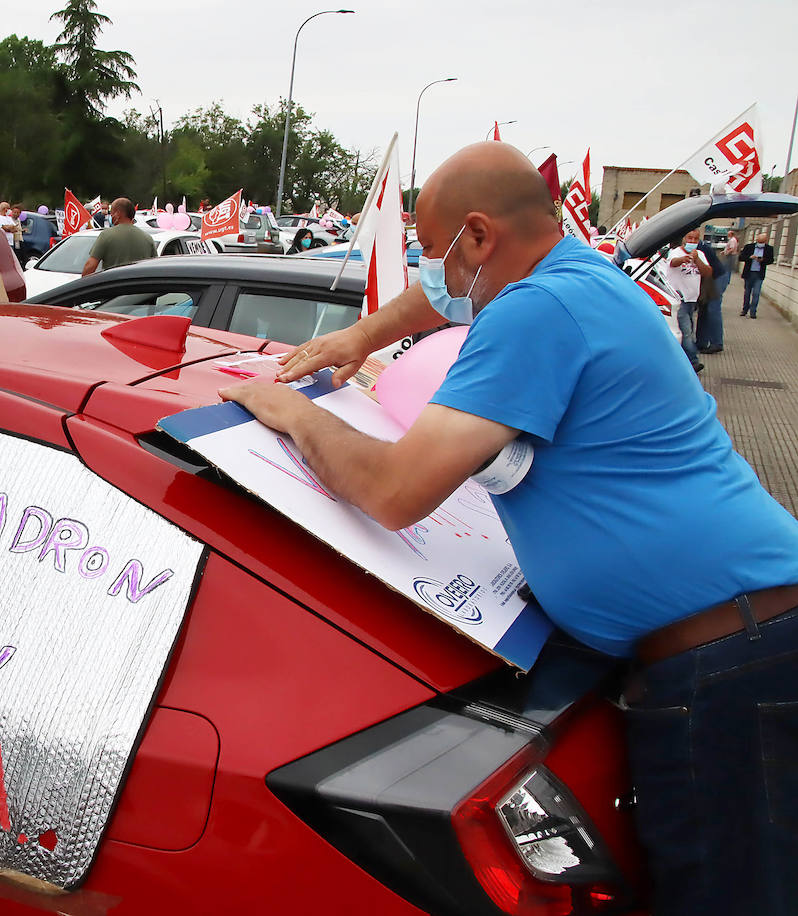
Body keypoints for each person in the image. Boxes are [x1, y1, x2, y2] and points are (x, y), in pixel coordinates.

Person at [219, 141, 798, 916]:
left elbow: (394, 491)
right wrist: (362, 338)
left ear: (482, 236)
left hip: (724, 664)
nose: (433, 274)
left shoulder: (534, 313)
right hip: (748, 638)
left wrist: (290, 410)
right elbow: (440, 299)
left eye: (436, 251)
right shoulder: (578, 274)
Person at [663, 229, 710, 372]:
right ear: (684, 238)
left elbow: (708, 272)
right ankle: (693, 361)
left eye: (696, 239)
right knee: (686, 331)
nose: (692, 242)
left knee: (688, 328)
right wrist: (684, 259)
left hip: (692, 299)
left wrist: (697, 260)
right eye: (690, 238)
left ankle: (681, 360)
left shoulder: (700, 254)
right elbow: (672, 263)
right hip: (679, 298)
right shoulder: (676, 252)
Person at [82, 198, 155, 275]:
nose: (111, 215)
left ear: (118, 213)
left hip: (113, 284)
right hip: (140, 285)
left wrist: (82, 285)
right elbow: (154, 267)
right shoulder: (147, 238)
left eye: (112, 212)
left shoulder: (106, 235)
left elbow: (90, 266)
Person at [695, 239, 728, 354]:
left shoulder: (700, 248)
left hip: (715, 277)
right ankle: (701, 342)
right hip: (710, 277)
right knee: (703, 309)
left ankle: (717, 343)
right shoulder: (697, 245)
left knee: (713, 308)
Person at [738, 232, 774, 318]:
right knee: (747, 293)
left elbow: (771, 260)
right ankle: (745, 309)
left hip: (759, 274)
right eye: (759, 242)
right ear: (756, 240)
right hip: (748, 273)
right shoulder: (749, 247)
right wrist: (750, 257)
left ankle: (753, 312)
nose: (760, 244)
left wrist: (762, 260)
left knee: (756, 293)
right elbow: (740, 257)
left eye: (762, 242)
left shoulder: (769, 249)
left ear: (765, 241)